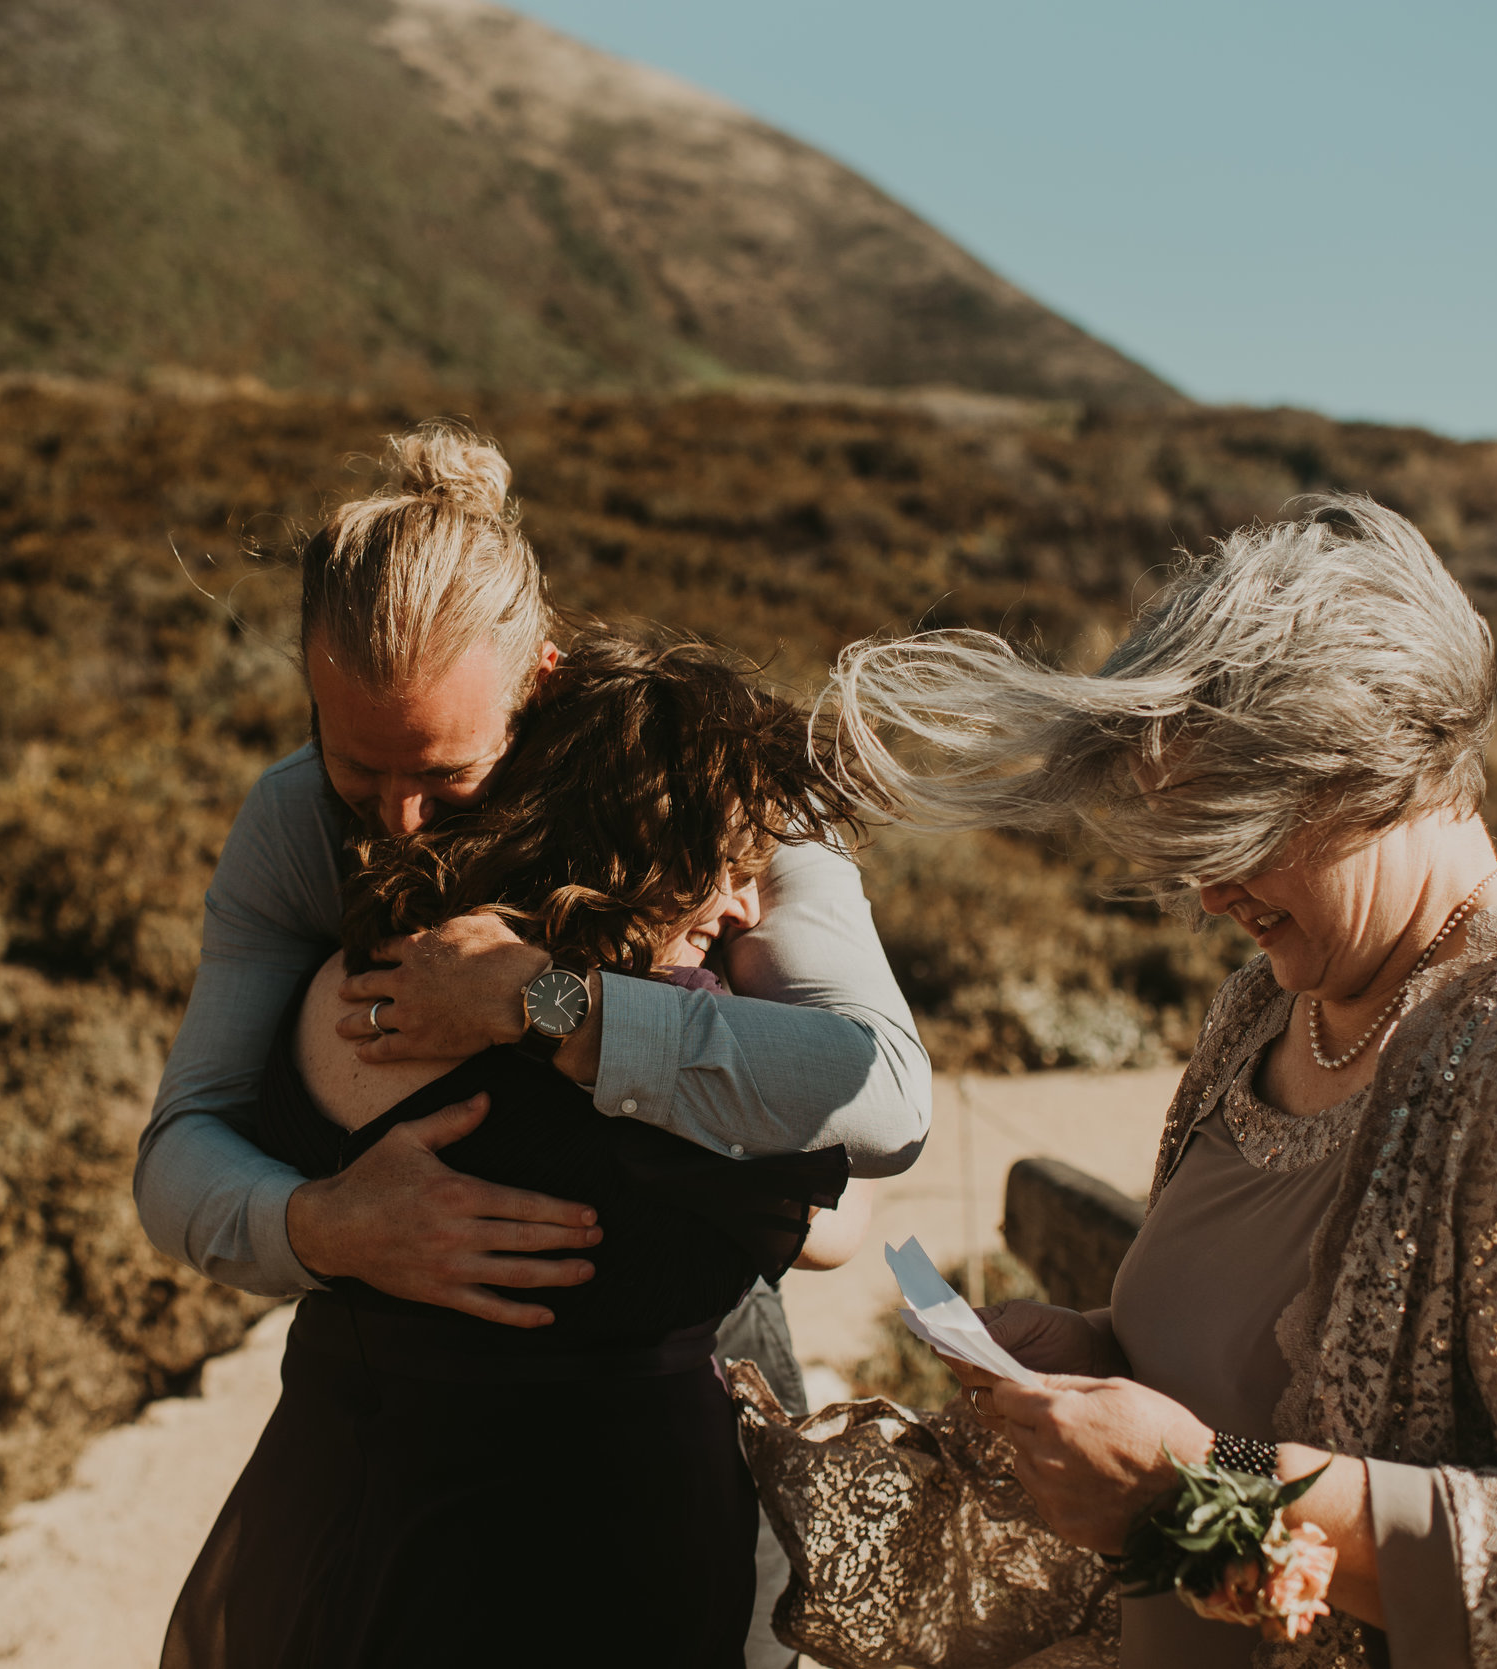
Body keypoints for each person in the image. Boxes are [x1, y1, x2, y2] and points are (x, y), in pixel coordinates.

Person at [822, 497, 1497, 1667]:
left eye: (1239, 830)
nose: (1207, 890)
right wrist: (1095, 1353)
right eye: (1184, 843)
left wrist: (1198, 1484)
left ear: (1380, 769)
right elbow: (1242, 1378)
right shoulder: (1265, 1007)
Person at [135, 423, 929, 1664]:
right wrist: (324, 1226)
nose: (394, 818)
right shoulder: (292, 820)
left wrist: (550, 1005)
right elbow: (184, 1145)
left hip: (681, 1414)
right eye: (360, 766)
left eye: (444, 777)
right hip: (383, 1432)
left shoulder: (716, 794)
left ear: (541, 681)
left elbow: (881, 1095)